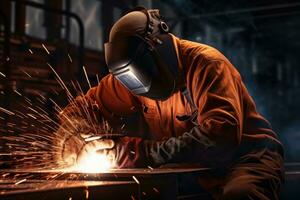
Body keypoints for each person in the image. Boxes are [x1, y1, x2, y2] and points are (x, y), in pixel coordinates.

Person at [55, 7, 284, 200]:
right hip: (194, 168)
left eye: (144, 73)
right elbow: (82, 108)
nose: (139, 86)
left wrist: (138, 152)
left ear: (159, 46)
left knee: (239, 195)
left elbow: (221, 136)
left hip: (246, 160)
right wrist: (73, 136)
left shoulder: (207, 64)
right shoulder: (130, 76)